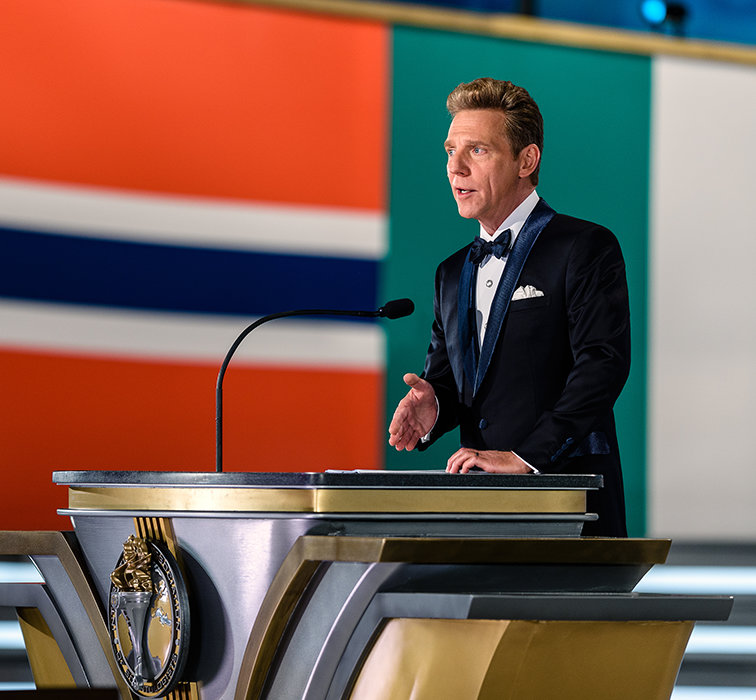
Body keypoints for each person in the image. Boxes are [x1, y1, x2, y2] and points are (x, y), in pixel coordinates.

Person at [388, 77, 630, 537]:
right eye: (450, 151)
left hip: (570, 505)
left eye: (477, 150)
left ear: (526, 160)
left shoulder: (584, 246)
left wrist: (526, 458)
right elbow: (451, 380)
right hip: (478, 510)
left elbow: (602, 365)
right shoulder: (450, 273)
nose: (455, 168)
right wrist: (434, 405)